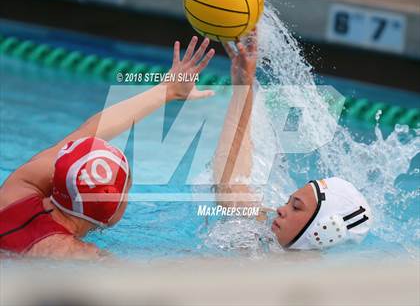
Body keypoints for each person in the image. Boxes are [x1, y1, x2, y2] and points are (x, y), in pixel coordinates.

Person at [0, 36, 216, 259]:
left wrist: (168, 89)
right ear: (112, 211)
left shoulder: (18, 189)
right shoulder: (79, 256)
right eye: (127, 191)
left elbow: (90, 130)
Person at [213, 28, 372, 250]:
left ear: (325, 231)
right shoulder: (263, 230)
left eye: (296, 207)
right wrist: (243, 86)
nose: (280, 209)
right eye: (289, 202)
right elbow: (231, 183)